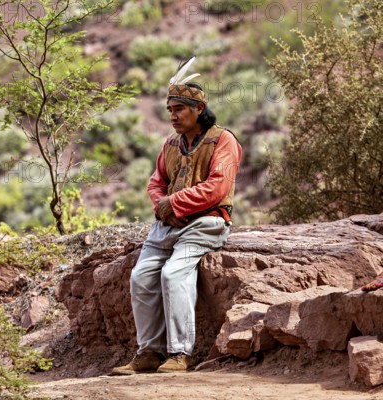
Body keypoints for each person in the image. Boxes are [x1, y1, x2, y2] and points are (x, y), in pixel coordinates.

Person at [111, 57, 242, 375]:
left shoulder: (223, 140)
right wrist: (161, 205)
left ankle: (181, 354)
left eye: (179, 109)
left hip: (206, 223)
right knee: (140, 278)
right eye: (170, 109)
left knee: (173, 275)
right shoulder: (170, 144)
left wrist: (175, 203)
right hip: (167, 224)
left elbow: (218, 186)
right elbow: (155, 183)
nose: (173, 116)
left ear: (198, 109)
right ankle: (150, 353)